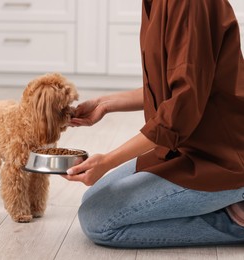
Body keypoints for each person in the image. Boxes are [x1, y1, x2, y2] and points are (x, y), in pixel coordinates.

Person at [62, 0, 244, 248]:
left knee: (99, 222)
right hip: (183, 150)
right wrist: (106, 103)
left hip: (223, 161)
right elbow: (170, 89)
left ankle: (235, 219)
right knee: (93, 200)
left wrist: (108, 161)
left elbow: (178, 114)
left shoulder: (190, 5)